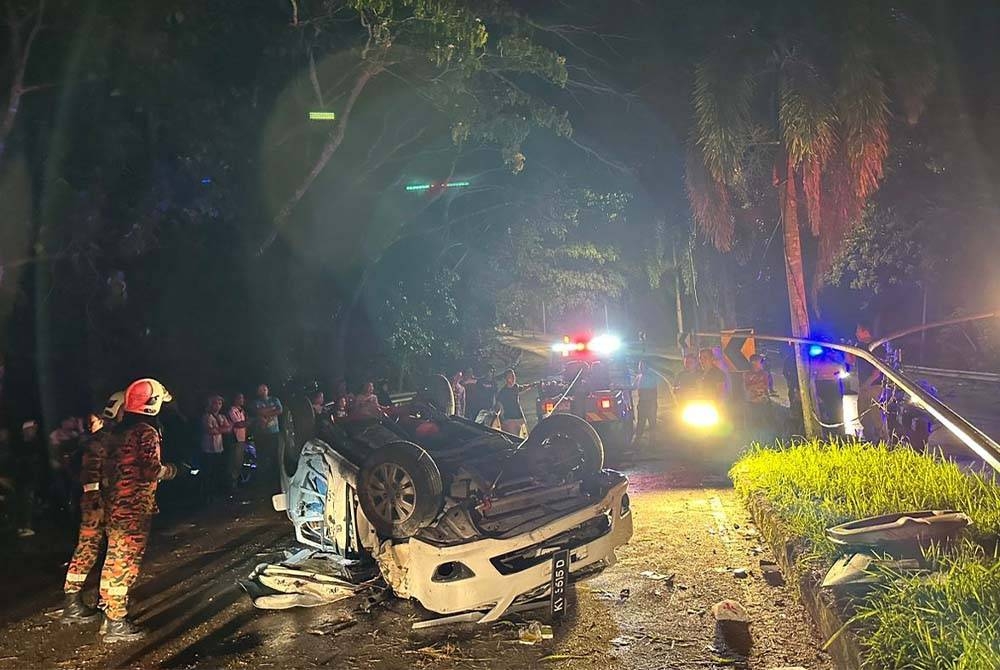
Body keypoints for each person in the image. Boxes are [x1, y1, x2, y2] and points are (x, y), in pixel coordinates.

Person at [99, 378, 179, 642]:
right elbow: (150, 470)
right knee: (125, 563)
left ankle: (109, 613)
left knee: (113, 558)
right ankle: (116, 621)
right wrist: (173, 471)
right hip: (133, 509)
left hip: (115, 505)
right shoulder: (145, 432)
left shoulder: (118, 432)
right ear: (151, 403)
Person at [61, 391, 125, 624]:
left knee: (96, 549)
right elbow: (92, 475)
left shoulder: (107, 437)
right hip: (98, 504)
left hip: (98, 502)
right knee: (91, 548)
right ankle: (77, 602)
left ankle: (89, 600)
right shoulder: (105, 439)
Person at [854, 323, 885, 442]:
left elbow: (878, 371)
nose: (856, 334)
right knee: (862, 414)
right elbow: (850, 362)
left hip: (874, 386)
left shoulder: (877, 347)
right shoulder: (859, 347)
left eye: (858, 331)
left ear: (866, 331)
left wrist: (868, 383)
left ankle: (882, 439)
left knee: (874, 412)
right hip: (864, 386)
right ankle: (868, 438)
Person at [201, 395, 232, 499]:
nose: (218, 406)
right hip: (208, 449)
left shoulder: (221, 416)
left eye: (220, 403)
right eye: (215, 403)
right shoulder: (207, 416)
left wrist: (218, 429)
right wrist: (221, 429)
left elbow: (229, 428)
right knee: (209, 472)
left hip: (219, 448)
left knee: (218, 471)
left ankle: (217, 492)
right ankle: (207, 494)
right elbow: (210, 431)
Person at [252, 384, 283, 481]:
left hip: (274, 432)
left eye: (265, 389)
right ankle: (262, 478)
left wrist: (266, 413)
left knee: (274, 454)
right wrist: (272, 409)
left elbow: (280, 410)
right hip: (261, 433)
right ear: (258, 392)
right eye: (261, 390)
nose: (263, 391)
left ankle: (274, 477)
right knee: (262, 455)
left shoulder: (274, 399)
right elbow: (259, 412)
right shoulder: (256, 402)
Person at [744, 355, 776, 440]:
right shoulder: (747, 374)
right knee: (755, 423)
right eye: (760, 362)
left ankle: (770, 439)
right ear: (753, 363)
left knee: (769, 421)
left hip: (764, 401)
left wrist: (755, 386)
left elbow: (765, 385)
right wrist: (757, 386)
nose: (762, 364)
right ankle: (756, 440)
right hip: (753, 402)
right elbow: (747, 387)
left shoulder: (764, 373)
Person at [496, 369, 532, 438]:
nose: (513, 378)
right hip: (509, 420)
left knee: (525, 437)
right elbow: (498, 406)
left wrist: (532, 385)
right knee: (514, 438)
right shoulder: (503, 393)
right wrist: (501, 419)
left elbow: (522, 388)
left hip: (520, 418)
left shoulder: (515, 387)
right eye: (510, 376)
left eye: (513, 376)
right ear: (506, 379)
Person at [227, 393, 249, 491]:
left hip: (242, 439)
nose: (242, 400)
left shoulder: (242, 411)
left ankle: (236, 482)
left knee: (239, 461)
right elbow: (238, 424)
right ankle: (232, 484)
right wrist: (250, 422)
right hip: (235, 439)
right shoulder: (232, 410)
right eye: (240, 398)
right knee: (234, 462)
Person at [634, 360, 659, 441]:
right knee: (640, 423)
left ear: (647, 367)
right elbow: (633, 387)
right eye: (640, 366)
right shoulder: (639, 377)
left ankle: (652, 442)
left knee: (652, 423)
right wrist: (619, 386)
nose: (641, 368)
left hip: (650, 403)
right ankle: (638, 440)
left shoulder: (651, 377)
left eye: (642, 366)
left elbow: (652, 391)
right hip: (642, 403)